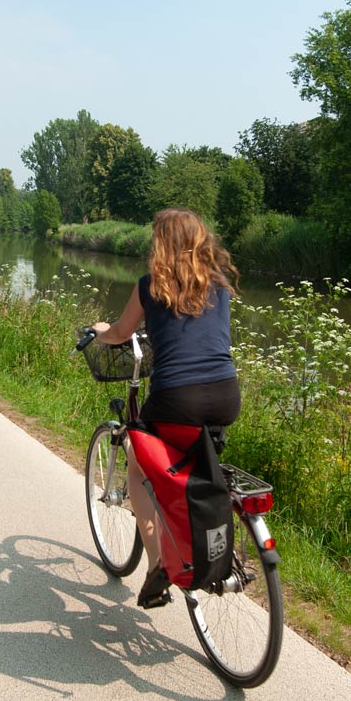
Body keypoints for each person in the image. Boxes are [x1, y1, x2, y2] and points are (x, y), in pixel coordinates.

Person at [91, 207, 240, 609]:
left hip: (177, 398)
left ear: (161, 244)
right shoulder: (219, 284)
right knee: (188, 459)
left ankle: (157, 565)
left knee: (138, 464)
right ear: (200, 242)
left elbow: (121, 332)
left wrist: (101, 332)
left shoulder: (150, 286)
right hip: (226, 395)